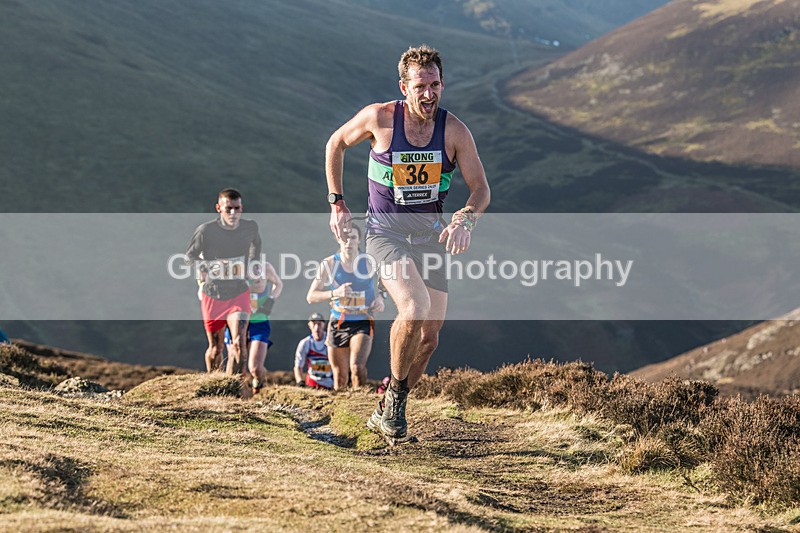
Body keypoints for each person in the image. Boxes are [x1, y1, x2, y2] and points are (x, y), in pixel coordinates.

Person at [325, 45, 491, 441]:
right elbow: (335, 144)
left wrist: (465, 218)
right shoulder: (379, 118)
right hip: (385, 234)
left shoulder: (454, 131)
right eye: (420, 87)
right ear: (404, 87)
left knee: (430, 339)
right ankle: (397, 407)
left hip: (431, 238)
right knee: (414, 307)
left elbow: (481, 189)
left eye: (435, 85)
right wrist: (337, 202)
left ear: (442, 83)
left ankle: (386, 404)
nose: (429, 94)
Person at [186, 188, 261, 375]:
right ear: (218, 208)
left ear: (242, 208)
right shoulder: (206, 231)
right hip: (213, 293)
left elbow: (256, 244)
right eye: (228, 209)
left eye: (237, 208)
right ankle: (214, 382)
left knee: (239, 342)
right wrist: (209, 267)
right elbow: (190, 257)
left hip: (239, 291)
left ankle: (234, 388)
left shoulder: (250, 227)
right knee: (216, 348)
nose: (233, 213)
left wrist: (253, 263)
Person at [306, 224, 385, 390]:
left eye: (353, 238)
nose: (349, 242)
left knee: (356, 368)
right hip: (339, 321)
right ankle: (343, 413)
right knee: (340, 376)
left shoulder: (370, 261)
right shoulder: (329, 264)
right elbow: (311, 296)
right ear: (338, 239)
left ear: (359, 241)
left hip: (363, 320)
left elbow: (387, 279)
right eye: (345, 238)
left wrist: (381, 297)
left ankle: (360, 404)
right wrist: (335, 293)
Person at [224, 261, 283, 393]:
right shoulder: (231, 267)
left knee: (255, 368)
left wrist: (270, 300)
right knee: (236, 364)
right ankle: (238, 395)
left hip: (258, 321)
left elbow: (278, 284)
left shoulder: (264, 267)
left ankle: (259, 383)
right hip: (236, 321)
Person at [294, 312, 334, 389]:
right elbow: (298, 366)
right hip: (312, 383)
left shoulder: (331, 341)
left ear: (324, 325)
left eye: (319, 324)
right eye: (314, 324)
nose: (316, 327)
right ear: (309, 325)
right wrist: (300, 382)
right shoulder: (305, 343)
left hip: (331, 382)